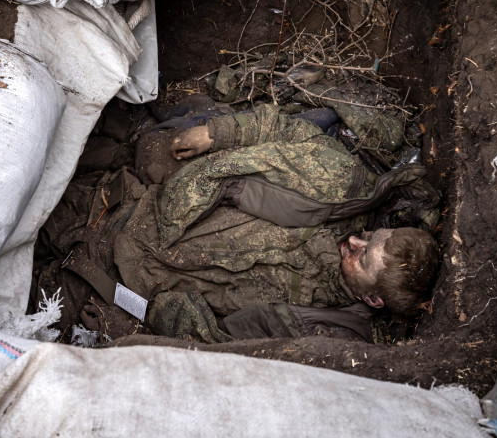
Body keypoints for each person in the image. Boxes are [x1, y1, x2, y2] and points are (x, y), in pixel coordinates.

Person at [42, 102, 440, 343]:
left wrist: (157, 310)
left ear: (372, 299)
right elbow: (283, 129)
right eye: (370, 235)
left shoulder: (313, 325)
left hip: (124, 280)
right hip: (139, 204)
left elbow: (220, 341)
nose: (354, 240)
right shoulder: (339, 189)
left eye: (362, 257)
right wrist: (215, 134)